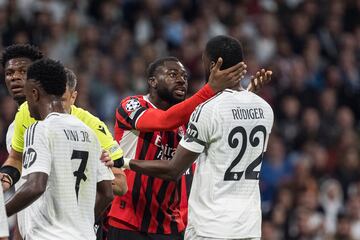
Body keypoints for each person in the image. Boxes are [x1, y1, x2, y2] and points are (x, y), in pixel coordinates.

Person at [118, 35, 274, 240]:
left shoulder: (199, 113)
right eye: (173, 74)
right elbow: (165, 120)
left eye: (184, 74)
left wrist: (240, 96)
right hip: (129, 221)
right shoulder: (132, 104)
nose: (181, 79)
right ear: (152, 81)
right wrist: (244, 96)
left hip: (187, 226)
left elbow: (174, 168)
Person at [5, 58, 114, 240]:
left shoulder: (39, 129)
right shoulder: (89, 133)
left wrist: (2, 212)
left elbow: (35, 186)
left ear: (34, 93)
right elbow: (107, 193)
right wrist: (83, 223)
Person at [0, 44, 127, 197]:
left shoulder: (87, 124)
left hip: (73, 215)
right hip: (32, 217)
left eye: (23, 71)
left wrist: (90, 169)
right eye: (10, 73)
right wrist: (5, 178)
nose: (15, 77)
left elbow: (120, 185)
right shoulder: (20, 120)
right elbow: (16, 160)